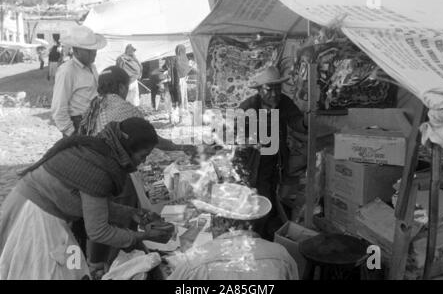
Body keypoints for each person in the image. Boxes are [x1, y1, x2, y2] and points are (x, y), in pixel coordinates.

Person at [0, 118, 175, 280]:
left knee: (70, 267)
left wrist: (132, 214)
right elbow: (98, 231)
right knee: (47, 272)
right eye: (142, 155)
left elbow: (91, 203)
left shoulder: (101, 152)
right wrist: (141, 236)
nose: (143, 162)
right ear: (128, 148)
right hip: (35, 217)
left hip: (31, 205)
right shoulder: (99, 169)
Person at [77, 66, 197, 275]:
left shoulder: (94, 105)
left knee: (105, 216)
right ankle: (117, 264)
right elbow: (151, 138)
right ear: (123, 86)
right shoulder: (123, 107)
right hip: (114, 172)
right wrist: (180, 145)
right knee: (116, 221)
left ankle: (99, 262)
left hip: (93, 170)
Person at [235, 66, 308, 241]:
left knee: (272, 197)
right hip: (253, 164)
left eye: (277, 89)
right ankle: (256, 237)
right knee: (260, 199)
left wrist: (306, 121)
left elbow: (296, 121)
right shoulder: (248, 107)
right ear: (260, 90)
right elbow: (236, 135)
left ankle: (265, 232)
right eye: (269, 89)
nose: (274, 94)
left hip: (277, 161)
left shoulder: (284, 102)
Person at [168, 184, 298, 280]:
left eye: (212, 219)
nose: (211, 225)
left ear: (222, 222)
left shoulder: (194, 262)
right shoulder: (281, 255)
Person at [51, 25, 106, 137]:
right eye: (89, 51)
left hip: (94, 121)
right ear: (76, 51)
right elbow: (58, 107)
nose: (94, 53)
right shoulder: (67, 71)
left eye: (94, 49)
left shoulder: (92, 67)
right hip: (78, 124)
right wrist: (72, 133)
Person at [174, 45, 190, 116]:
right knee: (181, 95)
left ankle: (184, 111)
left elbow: (185, 68)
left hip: (182, 78)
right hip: (179, 79)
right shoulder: (178, 58)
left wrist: (187, 73)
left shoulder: (182, 58)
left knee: (183, 95)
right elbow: (179, 68)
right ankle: (182, 111)